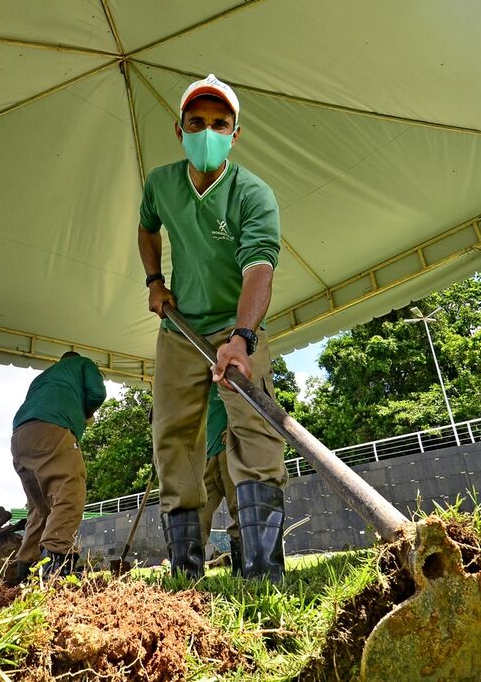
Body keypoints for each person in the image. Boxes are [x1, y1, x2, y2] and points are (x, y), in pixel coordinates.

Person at [137, 73, 287, 582]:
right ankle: (185, 572)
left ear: (235, 134)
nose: (207, 132)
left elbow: (259, 269)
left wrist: (241, 339)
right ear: (179, 131)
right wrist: (155, 280)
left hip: (235, 328)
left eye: (219, 124)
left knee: (256, 429)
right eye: (196, 123)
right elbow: (146, 225)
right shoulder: (160, 183)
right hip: (180, 334)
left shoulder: (253, 194)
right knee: (173, 436)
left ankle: (263, 570)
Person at [10, 351, 106, 580]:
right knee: (70, 492)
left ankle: (25, 570)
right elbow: (97, 392)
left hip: (20, 437)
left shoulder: (43, 377)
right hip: (52, 428)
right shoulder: (83, 364)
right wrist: (86, 413)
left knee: (40, 507)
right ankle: (57, 570)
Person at [198, 387, 242, 575]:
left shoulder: (224, 377)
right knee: (198, 514)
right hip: (206, 457)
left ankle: (244, 567)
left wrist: (233, 426)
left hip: (227, 451)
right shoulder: (196, 386)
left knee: (238, 506)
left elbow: (244, 403)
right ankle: (191, 572)